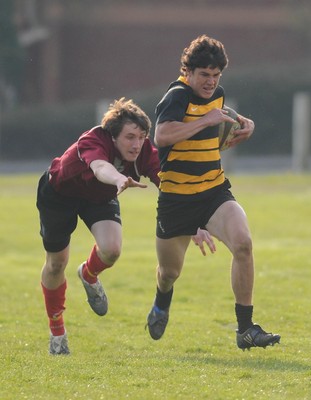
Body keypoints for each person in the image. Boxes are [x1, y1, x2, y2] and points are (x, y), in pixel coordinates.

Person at [37, 97, 214, 355]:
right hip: (59, 195)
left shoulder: (143, 152)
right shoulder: (93, 140)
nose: (137, 144)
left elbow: (168, 184)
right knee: (55, 264)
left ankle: (88, 274)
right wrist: (120, 179)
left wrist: (193, 222)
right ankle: (57, 333)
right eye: (130, 137)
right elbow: (99, 167)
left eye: (142, 137)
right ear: (113, 136)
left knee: (112, 250)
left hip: (99, 197)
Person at [146, 35, 281, 350]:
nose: (210, 81)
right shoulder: (176, 95)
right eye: (204, 74)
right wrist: (205, 120)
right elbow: (162, 135)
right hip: (177, 199)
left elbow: (218, 112)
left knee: (244, 245)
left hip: (213, 190)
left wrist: (244, 124)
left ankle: (245, 329)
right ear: (188, 72)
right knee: (169, 272)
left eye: (216, 75)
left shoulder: (216, 95)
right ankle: (162, 300)